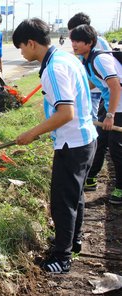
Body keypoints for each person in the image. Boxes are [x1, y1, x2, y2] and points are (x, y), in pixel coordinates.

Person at [12, 18, 97, 273]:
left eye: (22, 47)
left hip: (73, 144)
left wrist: (31, 133)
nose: (22, 52)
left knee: (62, 202)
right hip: (85, 139)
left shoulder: (54, 69)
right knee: (76, 196)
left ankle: (62, 257)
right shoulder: (65, 58)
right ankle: (73, 241)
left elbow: (65, 113)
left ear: (31, 43)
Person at [70, 24, 122, 203]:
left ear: (90, 42)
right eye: (72, 40)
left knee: (117, 148)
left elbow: (116, 86)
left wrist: (110, 115)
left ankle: (120, 188)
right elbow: (94, 83)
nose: (74, 44)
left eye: (78, 41)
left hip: (119, 105)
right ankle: (91, 178)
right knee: (99, 141)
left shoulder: (100, 59)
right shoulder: (86, 59)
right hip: (110, 103)